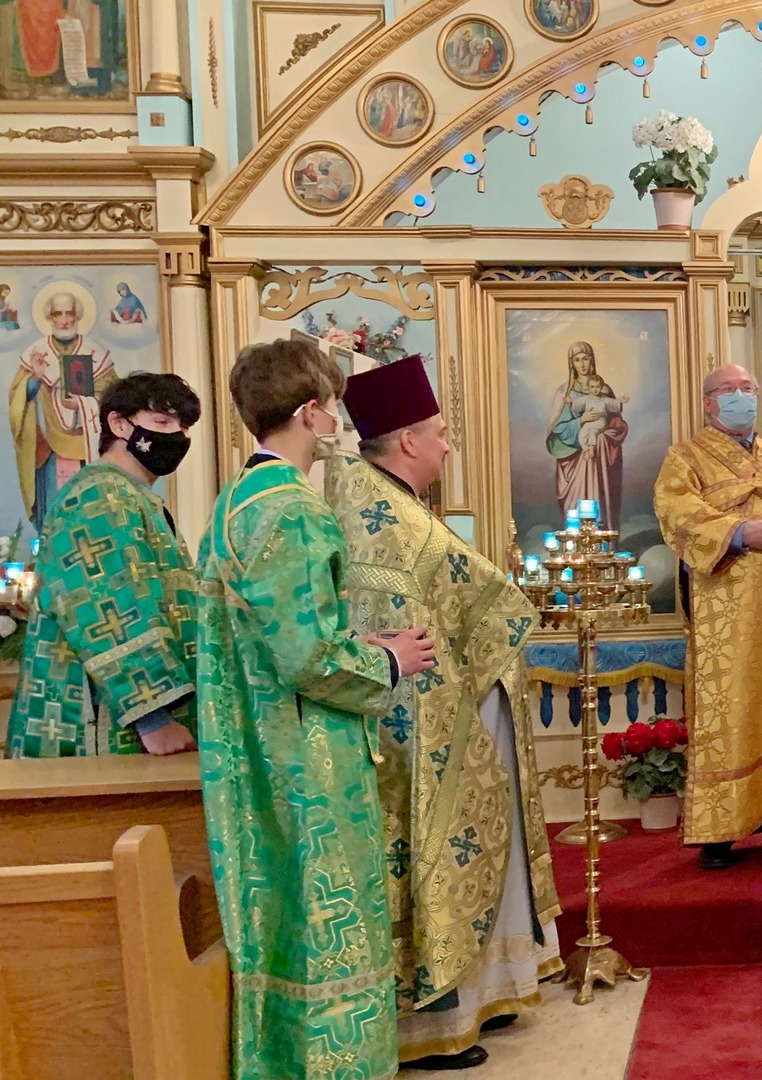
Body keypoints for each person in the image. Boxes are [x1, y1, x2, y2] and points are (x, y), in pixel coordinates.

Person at [195, 337, 438, 1080]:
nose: (338, 420)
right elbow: (307, 659)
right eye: (332, 405)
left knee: (281, 920)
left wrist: (355, 640)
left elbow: (276, 633)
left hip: (254, 744)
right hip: (311, 758)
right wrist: (389, 660)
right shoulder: (296, 511)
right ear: (309, 412)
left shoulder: (235, 502)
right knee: (329, 920)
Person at [327, 355, 561, 1069]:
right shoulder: (377, 512)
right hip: (419, 721)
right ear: (407, 440)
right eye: (440, 433)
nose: (448, 446)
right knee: (426, 857)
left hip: (443, 703)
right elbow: (414, 619)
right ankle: (433, 1022)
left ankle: (487, 989)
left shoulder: (384, 499)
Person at [655, 363, 762, 870]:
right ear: (708, 402)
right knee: (728, 702)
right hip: (724, 605)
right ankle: (720, 829)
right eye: (728, 390)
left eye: (747, 389)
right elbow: (676, 513)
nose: (740, 397)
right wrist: (740, 532)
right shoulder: (684, 458)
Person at [5, 373, 200, 758]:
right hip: (102, 727)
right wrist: (153, 718)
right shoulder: (100, 495)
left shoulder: (130, 495)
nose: (177, 436)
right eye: (162, 422)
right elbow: (107, 604)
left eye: (184, 427)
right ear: (118, 424)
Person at [10, 289, 118, 533]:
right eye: (58, 314)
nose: (65, 320)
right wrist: (35, 379)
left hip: (88, 445)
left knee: (88, 511)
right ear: (49, 317)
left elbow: (115, 399)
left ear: (78, 316)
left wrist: (84, 404)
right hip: (50, 446)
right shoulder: (37, 352)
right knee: (55, 510)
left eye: (70, 313)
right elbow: (18, 399)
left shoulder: (95, 352)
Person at [549, 340, 627, 531]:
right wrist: (580, 421)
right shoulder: (564, 392)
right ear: (571, 363)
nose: (582, 364)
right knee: (574, 513)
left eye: (585, 358)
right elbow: (558, 430)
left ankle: (603, 539)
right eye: (577, 360)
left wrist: (602, 435)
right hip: (575, 461)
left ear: (591, 360)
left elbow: (617, 424)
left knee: (600, 504)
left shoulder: (604, 390)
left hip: (600, 461)